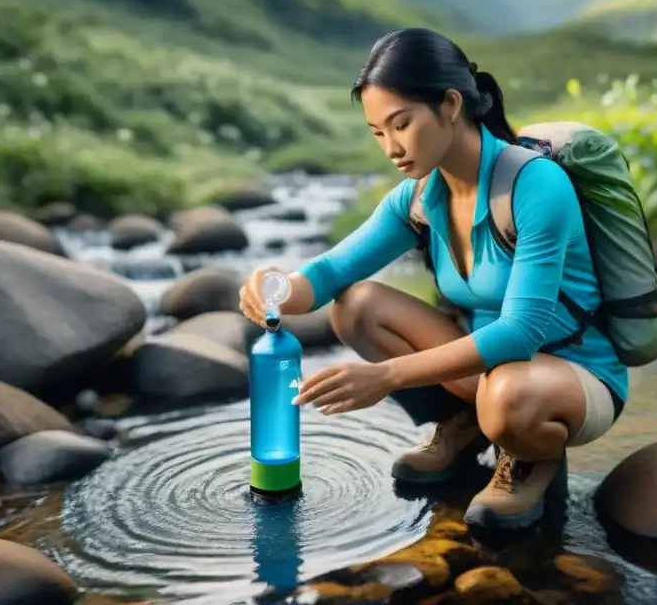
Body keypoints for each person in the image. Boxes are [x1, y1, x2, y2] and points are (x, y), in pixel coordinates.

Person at [239, 27, 628, 531]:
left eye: (401, 124)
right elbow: (333, 272)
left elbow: (521, 332)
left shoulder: (535, 184)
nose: (391, 147)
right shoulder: (420, 198)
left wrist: (386, 377)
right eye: (378, 132)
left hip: (573, 373)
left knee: (508, 396)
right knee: (355, 306)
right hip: (489, 372)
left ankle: (528, 457)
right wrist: (276, 286)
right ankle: (466, 424)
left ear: (449, 105)